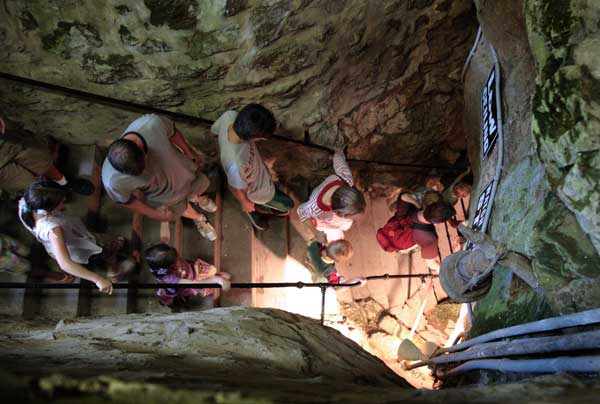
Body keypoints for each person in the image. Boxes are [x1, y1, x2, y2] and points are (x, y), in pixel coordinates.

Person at [102, 114, 217, 240]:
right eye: (139, 174)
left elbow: (172, 133)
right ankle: (199, 218)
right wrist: (155, 214)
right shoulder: (112, 181)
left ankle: (197, 199)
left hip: (185, 172)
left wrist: (190, 153)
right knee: (180, 207)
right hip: (166, 196)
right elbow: (126, 201)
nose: (146, 172)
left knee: (196, 187)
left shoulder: (152, 125)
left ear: (141, 149)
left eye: (144, 165)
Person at [17, 181, 120, 293]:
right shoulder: (52, 229)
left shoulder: (26, 203)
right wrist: (98, 279)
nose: (64, 202)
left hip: (58, 244)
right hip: (73, 246)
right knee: (107, 245)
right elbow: (65, 263)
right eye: (61, 202)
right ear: (49, 210)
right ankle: (112, 267)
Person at [211, 104, 294, 230]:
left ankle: (258, 208)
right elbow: (235, 187)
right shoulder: (235, 162)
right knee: (287, 205)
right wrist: (245, 202)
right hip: (259, 191)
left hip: (258, 176)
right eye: (261, 138)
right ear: (253, 137)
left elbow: (214, 131)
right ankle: (256, 212)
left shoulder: (230, 116)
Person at [0, 116, 94, 195]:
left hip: (5, 141)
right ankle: (57, 188)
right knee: (28, 182)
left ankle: (64, 183)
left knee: (40, 158)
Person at [297, 147, 365, 242]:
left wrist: (337, 153)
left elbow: (339, 158)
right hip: (323, 217)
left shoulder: (347, 180)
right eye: (347, 216)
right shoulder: (315, 208)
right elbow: (301, 212)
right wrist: (316, 234)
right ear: (337, 213)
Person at [376, 192, 455, 271]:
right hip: (399, 245)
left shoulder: (409, 206)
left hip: (387, 232)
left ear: (430, 205)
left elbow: (403, 196)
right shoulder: (430, 238)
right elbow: (431, 263)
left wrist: (418, 206)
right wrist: (442, 269)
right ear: (439, 222)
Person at [144, 243, 231, 307]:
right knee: (204, 287)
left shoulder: (159, 264)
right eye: (176, 263)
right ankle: (173, 301)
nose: (179, 261)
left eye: (178, 258)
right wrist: (218, 280)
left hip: (188, 272)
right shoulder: (170, 279)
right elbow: (195, 283)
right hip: (186, 283)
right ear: (171, 268)